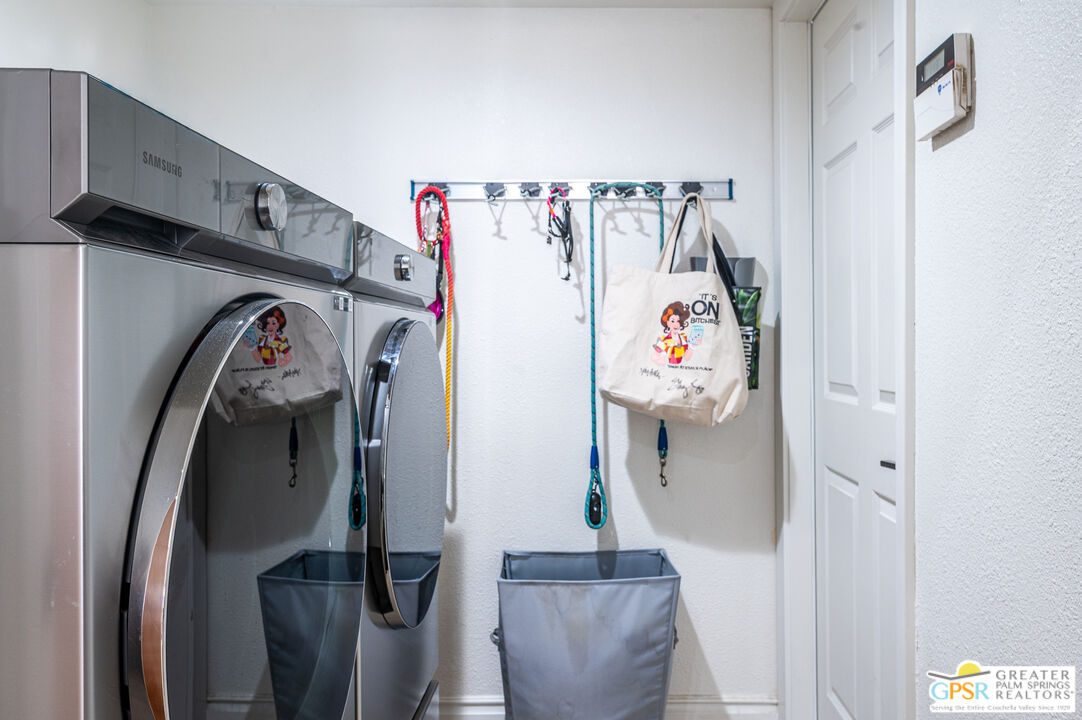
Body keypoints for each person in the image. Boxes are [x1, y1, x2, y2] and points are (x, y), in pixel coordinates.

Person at [653, 301, 694, 366]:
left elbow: (686, 358)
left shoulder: (683, 338)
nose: (676, 324)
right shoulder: (664, 340)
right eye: (672, 321)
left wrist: (692, 347)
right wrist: (660, 361)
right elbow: (654, 356)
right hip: (667, 370)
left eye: (678, 321)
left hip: (683, 370)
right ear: (667, 323)